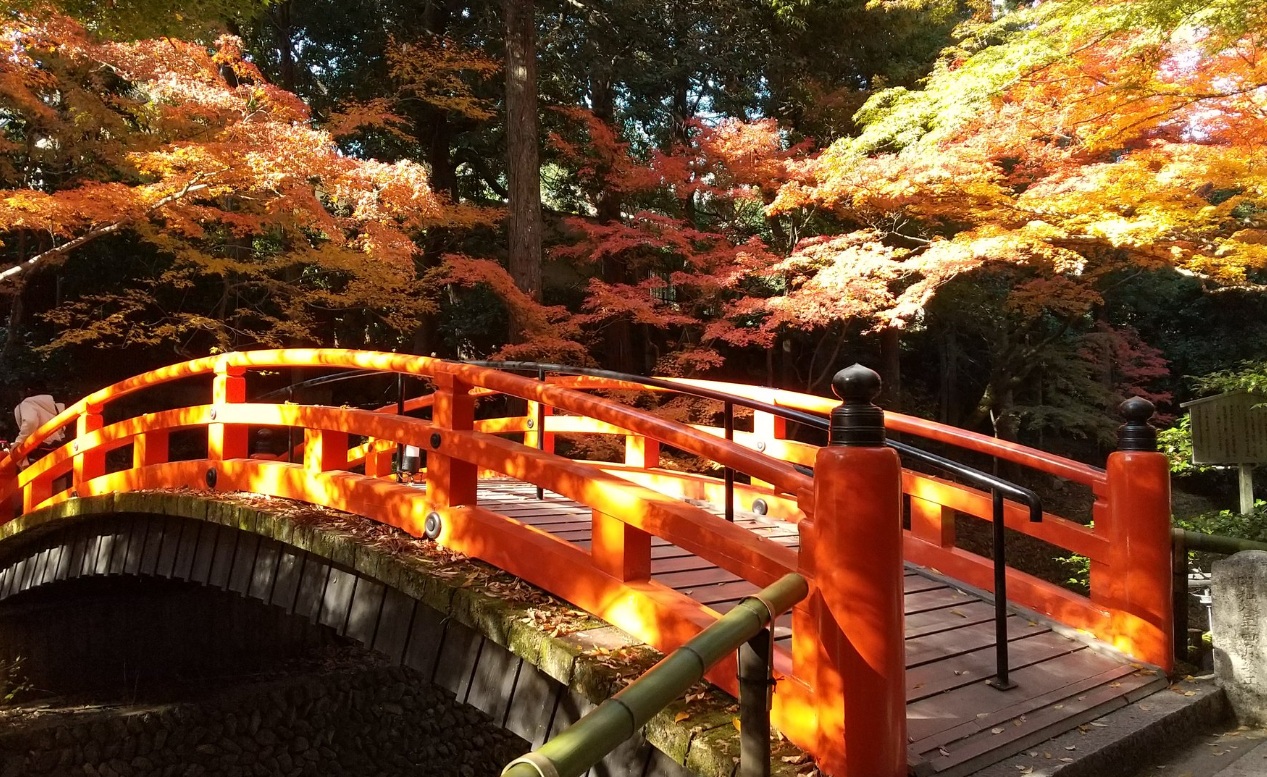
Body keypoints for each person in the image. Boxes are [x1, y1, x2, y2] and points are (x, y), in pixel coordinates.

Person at [13, 380, 66, 469]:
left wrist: (20, 441)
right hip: (56, 450)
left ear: (28, 390)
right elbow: (62, 428)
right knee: (57, 475)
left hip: (36, 451)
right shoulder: (55, 405)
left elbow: (30, 422)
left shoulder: (26, 404)